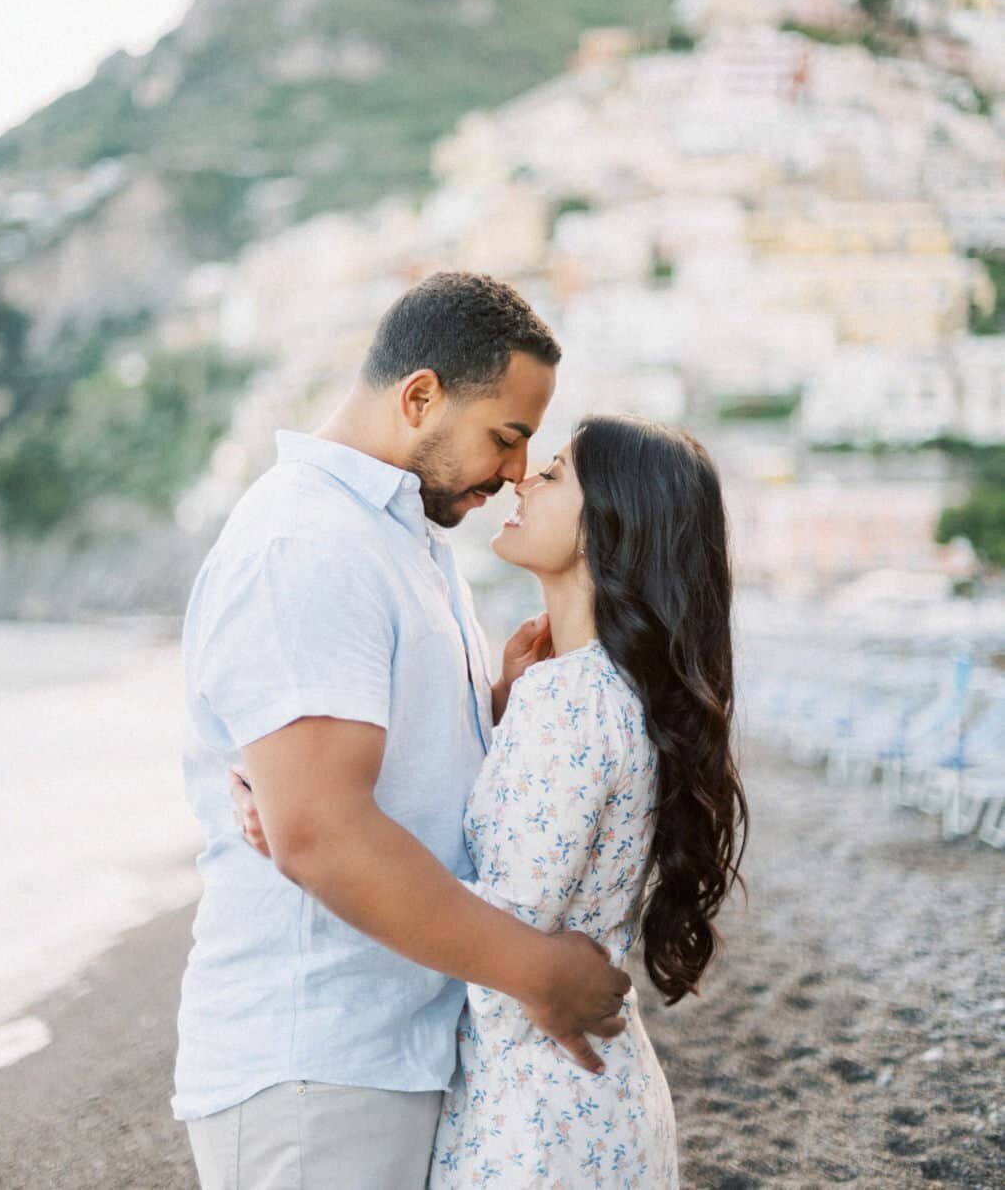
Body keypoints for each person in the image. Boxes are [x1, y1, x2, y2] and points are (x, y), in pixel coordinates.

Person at [173, 272, 633, 1190]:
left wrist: (496, 708)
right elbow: (321, 836)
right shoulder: (309, 542)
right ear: (419, 396)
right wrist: (538, 971)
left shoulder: (399, 537)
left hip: (395, 1043)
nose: (513, 471)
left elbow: (370, 794)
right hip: (316, 1061)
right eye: (506, 437)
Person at [236, 415, 749, 1188]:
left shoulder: (570, 703)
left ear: (608, 523)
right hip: (588, 1101)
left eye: (555, 474)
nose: (522, 479)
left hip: (536, 1119)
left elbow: (507, 946)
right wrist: (501, 711)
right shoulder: (601, 692)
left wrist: (312, 834)